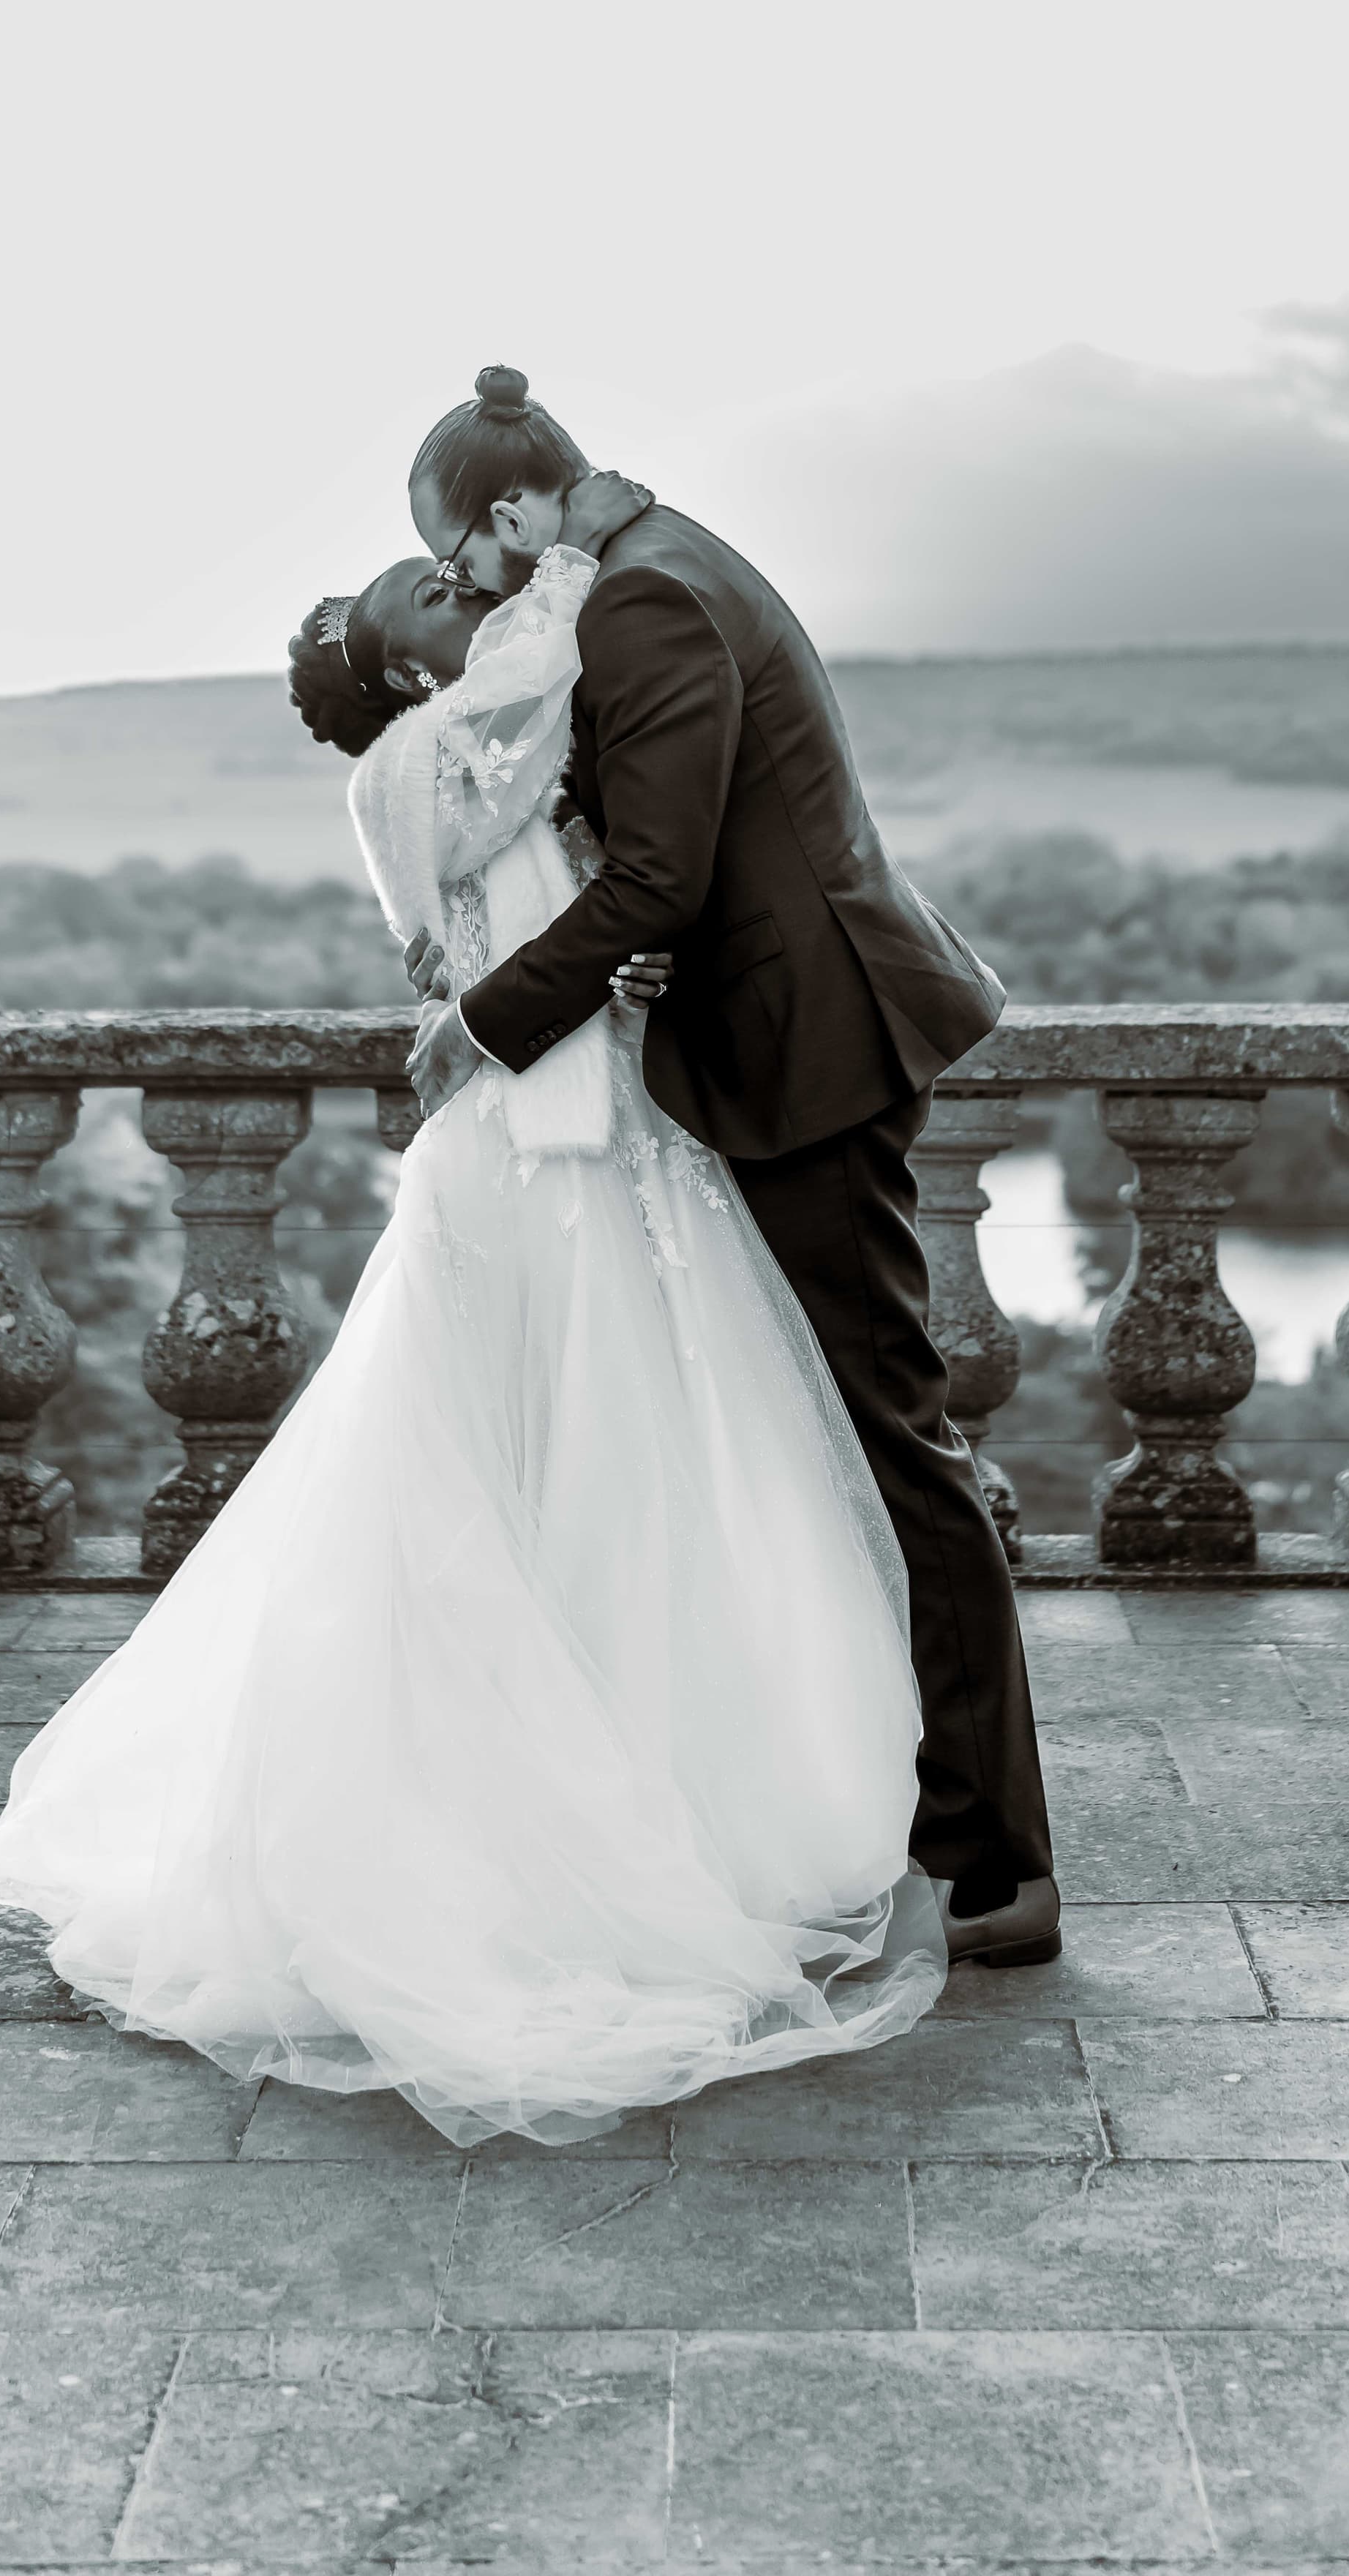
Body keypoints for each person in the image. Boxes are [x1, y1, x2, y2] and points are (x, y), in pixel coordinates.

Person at [0, 489, 947, 2147]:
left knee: (631, 1479)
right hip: (522, 1160)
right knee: (505, 1470)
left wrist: (621, 943)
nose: (444, 586)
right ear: (399, 672)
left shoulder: (496, 744)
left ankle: (656, 1787)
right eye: (414, 592)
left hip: (623, 1137)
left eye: (441, 571)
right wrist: (569, 550)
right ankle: (510, 1834)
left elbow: (596, 854)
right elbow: (546, 711)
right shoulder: (416, 764)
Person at [407, 365, 1056, 1967]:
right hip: (785, 1034)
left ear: (518, 511)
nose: (469, 594)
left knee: (896, 1443)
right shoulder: (671, 559)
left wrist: (481, 1025)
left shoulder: (647, 604)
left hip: (810, 1060)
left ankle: (1001, 1864)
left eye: (465, 560)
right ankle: (904, 1803)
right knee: (846, 1437)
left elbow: (660, 881)